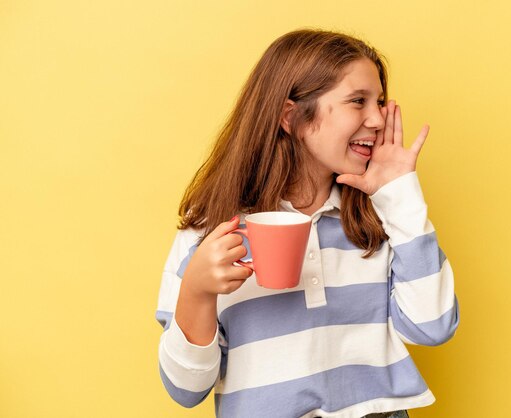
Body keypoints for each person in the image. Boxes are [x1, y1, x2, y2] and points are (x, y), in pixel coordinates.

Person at [155, 28, 460, 418]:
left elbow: (432, 328)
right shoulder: (210, 230)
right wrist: (196, 292)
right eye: (358, 101)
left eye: (380, 102)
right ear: (291, 117)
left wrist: (400, 195)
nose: (379, 118)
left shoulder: (376, 220)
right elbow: (184, 389)